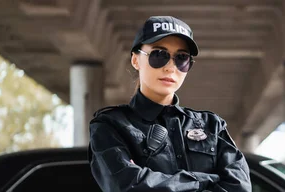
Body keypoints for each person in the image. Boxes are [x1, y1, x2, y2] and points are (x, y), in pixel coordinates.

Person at [88, 16, 252, 192]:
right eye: (159, 55)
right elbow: (127, 186)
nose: (170, 67)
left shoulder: (212, 125)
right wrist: (205, 180)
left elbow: (240, 187)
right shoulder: (111, 126)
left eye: (181, 58)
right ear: (135, 60)